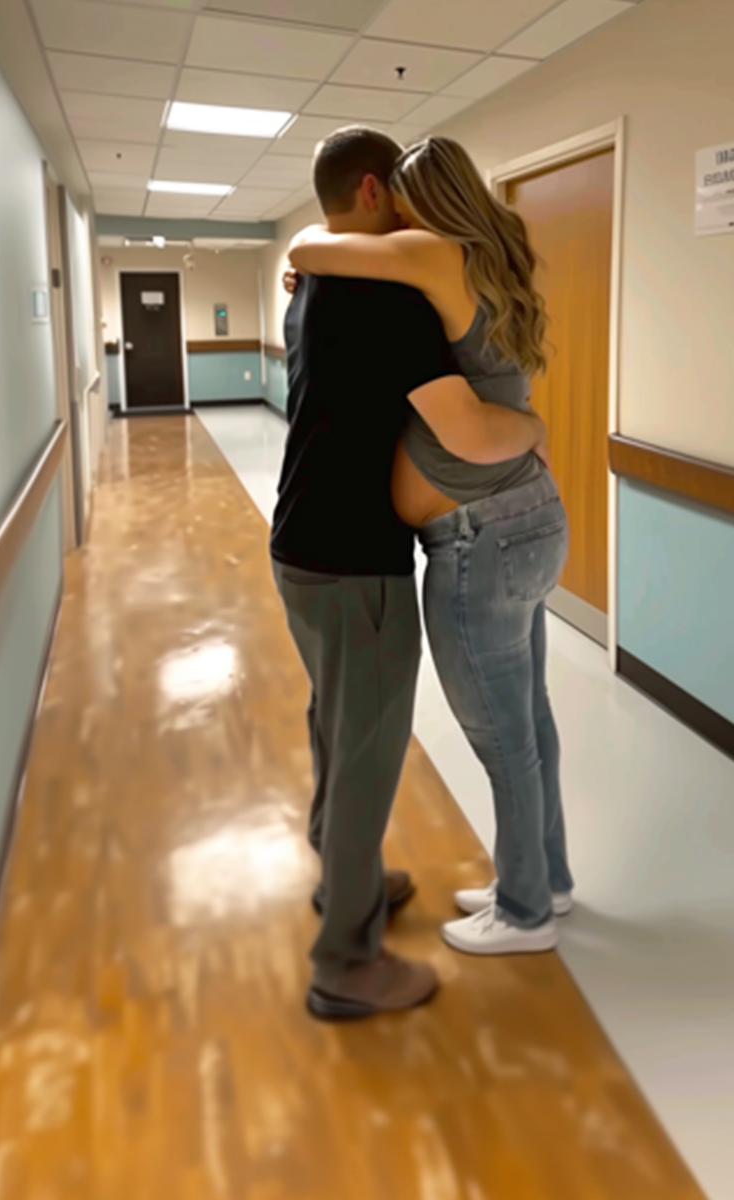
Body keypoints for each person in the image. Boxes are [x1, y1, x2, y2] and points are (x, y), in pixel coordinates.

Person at [272, 126, 549, 1021]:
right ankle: (346, 962)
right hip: (357, 556)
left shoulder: (312, 284)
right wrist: (538, 432)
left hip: (299, 545)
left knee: (333, 719)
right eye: (394, 190)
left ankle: (343, 878)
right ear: (371, 190)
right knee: (367, 749)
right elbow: (467, 431)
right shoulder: (387, 298)